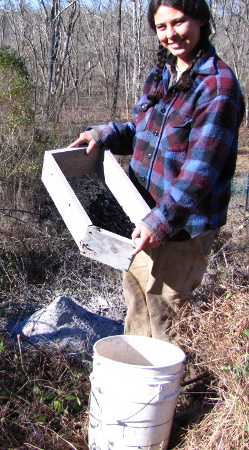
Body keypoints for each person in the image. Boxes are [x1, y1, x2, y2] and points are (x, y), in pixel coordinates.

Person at [69, 0, 244, 342]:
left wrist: (161, 222)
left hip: (182, 227)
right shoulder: (162, 72)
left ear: (201, 21)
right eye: (161, 27)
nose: (171, 34)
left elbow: (201, 171)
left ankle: (173, 390)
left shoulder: (218, 87)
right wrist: (103, 134)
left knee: (166, 314)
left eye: (178, 23)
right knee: (137, 302)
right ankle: (135, 376)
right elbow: (142, 129)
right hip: (141, 214)